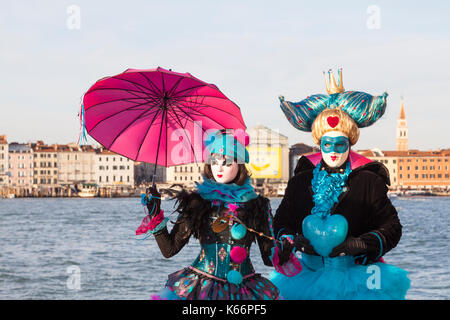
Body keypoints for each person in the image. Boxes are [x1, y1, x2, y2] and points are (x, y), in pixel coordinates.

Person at [269, 69, 410, 299]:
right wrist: (292, 241)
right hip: (308, 276)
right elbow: (282, 222)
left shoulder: (368, 181)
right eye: (327, 144)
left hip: (357, 277)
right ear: (319, 144)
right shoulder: (300, 182)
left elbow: (391, 227)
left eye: (340, 145)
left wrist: (362, 244)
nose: (333, 151)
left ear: (350, 143)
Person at [136, 130, 280, 300]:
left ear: (239, 165)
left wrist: (286, 247)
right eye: (214, 161)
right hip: (203, 290)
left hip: (245, 290)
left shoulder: (257, 205)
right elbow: (169, 249)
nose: (218, 167)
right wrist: (155, 213)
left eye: (226, 162)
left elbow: (269, 259)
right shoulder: (198, 203)